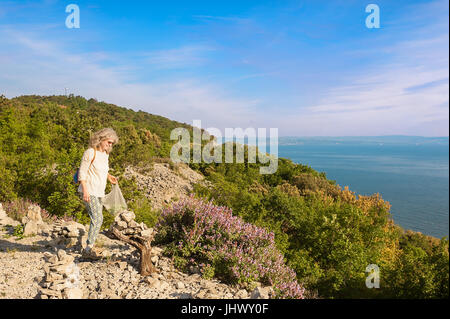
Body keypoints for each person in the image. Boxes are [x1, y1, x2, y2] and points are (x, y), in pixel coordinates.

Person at [78, 128, 119, 258]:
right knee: (98, 218)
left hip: (99, 192)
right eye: (109, 141)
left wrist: (109, 176)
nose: (110, 145)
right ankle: (88, 248)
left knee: (97, 218)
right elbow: (82, 172)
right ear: (101, 139)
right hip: (89, 190)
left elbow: (101, 170)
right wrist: (85, 190)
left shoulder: (105, 155)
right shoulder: (90, 152)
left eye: (112, 143)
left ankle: (89, 247)